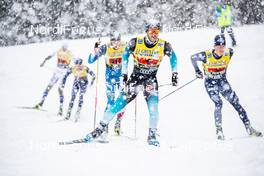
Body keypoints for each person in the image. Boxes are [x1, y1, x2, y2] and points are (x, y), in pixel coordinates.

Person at [84, 20, 178, 146]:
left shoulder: (164, 45)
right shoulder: (135, 42)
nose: (154, 34)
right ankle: (100, 129)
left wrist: (174, 73)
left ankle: (152, 135)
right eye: (152, 31)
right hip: (135, 80)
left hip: (150, 81)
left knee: (153, 109)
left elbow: (173, 57)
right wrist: (124, 73)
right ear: (147, 31)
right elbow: (125, 55)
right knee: (117, 105)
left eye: (157, 31)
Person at [191, 35, 262, 140]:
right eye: (218, 46)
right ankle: (219, 131)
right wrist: (197, 71)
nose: (221, 48)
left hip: (223, 82)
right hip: (210, 83)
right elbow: (192, 58)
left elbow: (230, 51)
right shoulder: (206, 55)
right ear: (214, 46)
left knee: (236, 103)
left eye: (223, 46)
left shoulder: (229, 52)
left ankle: (249, 128)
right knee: (218, 103)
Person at [88, 32, 126, 135]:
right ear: (110, 40)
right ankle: (105, 126)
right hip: (110, 79)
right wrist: (95, 50)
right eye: (113, 41)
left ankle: (118, 124)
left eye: (117, 41)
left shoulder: (124, 46)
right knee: (110, 102)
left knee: (123, 102)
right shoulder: (105, 47)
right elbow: (90, 60)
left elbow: (135, 53)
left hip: (122, 78)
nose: (115, 44)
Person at [35, 43, 72, 115]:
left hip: (63, 73)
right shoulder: (59, 50)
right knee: (48, 87)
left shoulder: (69, 53)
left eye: (65, 47)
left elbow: (74, 61)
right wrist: (44, 61)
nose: (64, 48)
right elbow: (50, 56)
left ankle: (61, 109)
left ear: (67, 48)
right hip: (57, 72)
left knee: (60, 90)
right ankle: (41, 102)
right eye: (63, 47)